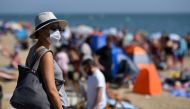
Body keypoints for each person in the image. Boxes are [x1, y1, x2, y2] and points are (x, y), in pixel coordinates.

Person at [25, 12, 69, 109]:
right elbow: (52, 90)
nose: (57, 31)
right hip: (52, 105)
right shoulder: (46, 54)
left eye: (59, 28)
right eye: (53, 28)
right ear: (40, 31)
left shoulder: (33, 49)